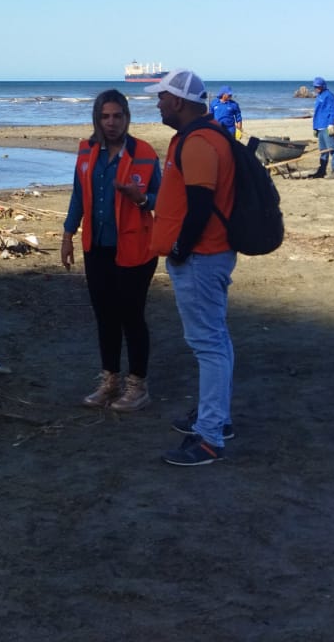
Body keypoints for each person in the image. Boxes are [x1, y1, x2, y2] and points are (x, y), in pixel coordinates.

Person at [151, 69, 237, 466]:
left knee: (208, 344)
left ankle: (209, 438)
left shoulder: (199, 142)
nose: (158, 103)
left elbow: (201, 206)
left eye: (163, 97)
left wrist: (182, 249)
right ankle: (215, 419)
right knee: (214, 340)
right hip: (205, 255)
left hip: (202, 257)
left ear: (181, 102)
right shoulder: (196, 137)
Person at [60, 89, 162, 412]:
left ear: (127, 118)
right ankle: (109, 382)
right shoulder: (87, 152)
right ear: (97, 118)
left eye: (118, 116)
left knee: (131, 316)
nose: (112, 122)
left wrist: (141, 198)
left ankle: (137, 386)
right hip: (97, 246)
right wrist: (67, 234)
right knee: (105, 316)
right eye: (105, 116)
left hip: (135, 249)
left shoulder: (144, 154)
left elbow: (165, 200)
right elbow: (78, 196)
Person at [310, 76, 334, 179]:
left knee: (332, 149)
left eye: (318, 86)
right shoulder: (319, 96)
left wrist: (331, 124)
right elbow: (317, 113)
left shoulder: (329, 96)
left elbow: (333, 111)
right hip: (319, 126)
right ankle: (322, 171)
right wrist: (315, 127)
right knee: (323, 150)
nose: (316, 88)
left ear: (323, 86)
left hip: (327, 126)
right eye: (315, 87)